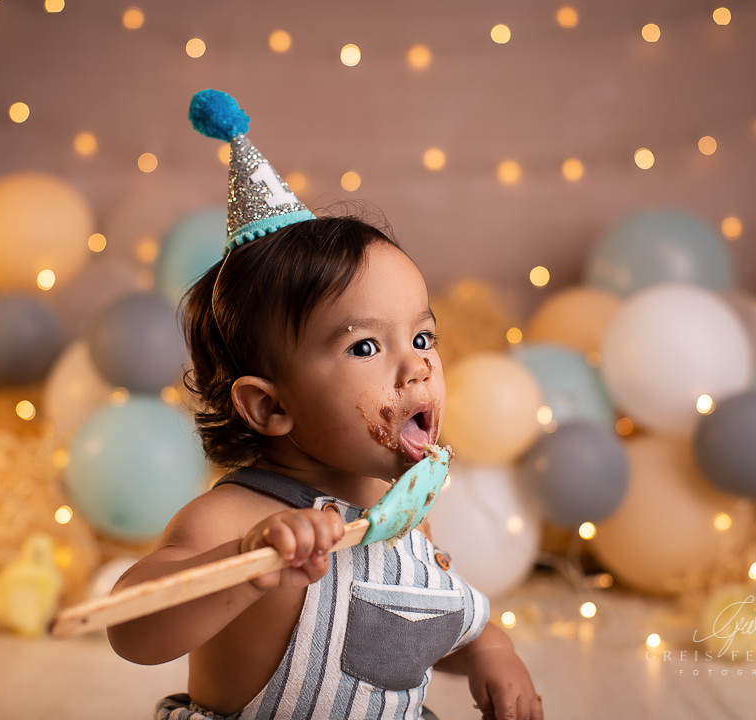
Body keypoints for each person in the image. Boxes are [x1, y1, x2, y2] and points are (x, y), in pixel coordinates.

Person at [106, 90, 542, 720]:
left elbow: (413, 627)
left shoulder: (402, 517)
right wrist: (246, 564)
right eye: (366, 345)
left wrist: (486, 649)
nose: (417, 364)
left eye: (422, 337)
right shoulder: (231, 521)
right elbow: (132, 630)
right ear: (268, 407)